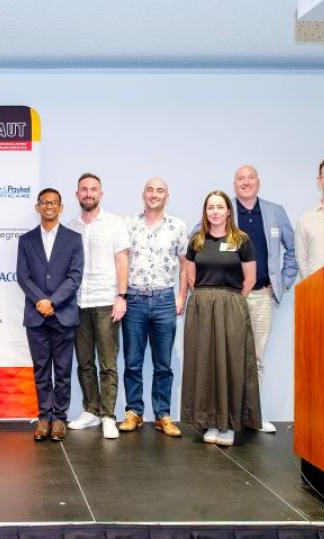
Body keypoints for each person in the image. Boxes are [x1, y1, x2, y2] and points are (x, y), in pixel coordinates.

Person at [182, 190, 261, 447]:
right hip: (202, 307)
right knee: (205, 363)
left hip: (231, 305)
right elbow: (191, 277)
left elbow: (250, 278)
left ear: (228, 211)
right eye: (210, 207)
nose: (215, 211)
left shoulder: (241, 240)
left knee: (231, 363)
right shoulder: (196, 241)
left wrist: (231, 300)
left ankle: (228, 424)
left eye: (219, 207)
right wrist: (208, 299)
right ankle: (210, 422)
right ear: (205, 212)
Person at [231, 165, 297, 433]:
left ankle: (254, 414)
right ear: (235, 184)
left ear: (258, 182)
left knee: (256, 358)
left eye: (251, 178)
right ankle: (227, 415)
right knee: (229, 357)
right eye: (241, 178)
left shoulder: (275, 211)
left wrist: (283, 281)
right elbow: (198, 242)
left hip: (261, 296)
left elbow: (293, 249)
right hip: (232, 298)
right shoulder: (224, 209)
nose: (246, 182)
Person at [119, 178, 187, 437]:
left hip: (164, 300)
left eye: (160, 191)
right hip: (134, 300)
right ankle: (133, 412)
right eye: (150, 190)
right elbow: (121, 261)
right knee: (132, 362)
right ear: (143, 194)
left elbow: (185, 264)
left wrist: (181, 296)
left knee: (163, 364)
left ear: (167, 196)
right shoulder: (128, 224)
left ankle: (162, 415)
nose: (154, 194)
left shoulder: (177, 226)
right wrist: (121, 295)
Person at [65, 173, 130, 440]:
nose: (89, 193)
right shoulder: (70, 227)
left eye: (93, 189)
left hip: (106, 302)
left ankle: (108, 416)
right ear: (77, 194)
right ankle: (91, 410)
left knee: (108, 363)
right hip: (78, 303)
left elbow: (122, 260)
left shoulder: (115, 223)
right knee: (84, 362)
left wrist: (121, 296)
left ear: (100, 194)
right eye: (84, 189)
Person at [17, 188, 84, 442]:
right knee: (41, 370)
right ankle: (44, 418)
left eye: (54, 202)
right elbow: (23, 276)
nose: (49, 206)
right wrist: (41, 301)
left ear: (61, 207)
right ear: (38, 207)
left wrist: (53, 301)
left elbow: (75, 276)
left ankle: (59, 419)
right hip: (36, 316)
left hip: (63, 313)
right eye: (44, 202)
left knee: (63, 371)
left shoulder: (73, 239)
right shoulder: (26, 240)